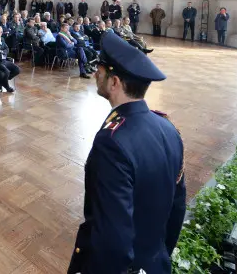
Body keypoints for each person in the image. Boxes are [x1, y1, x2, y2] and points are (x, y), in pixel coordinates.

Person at [68, 32, 185, 274]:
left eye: (100, 70)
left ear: (114, 83)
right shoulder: (168, 128)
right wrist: (155, 255)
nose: (95, 74)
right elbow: (177, 208)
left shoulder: (112, 144)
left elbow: (112, 238)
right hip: (154, 263)